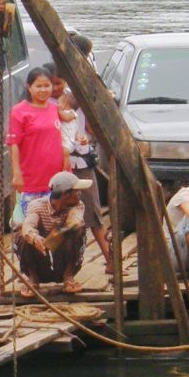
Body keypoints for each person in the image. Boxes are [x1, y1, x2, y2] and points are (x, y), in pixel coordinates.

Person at [63, 32, 113, 273]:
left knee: (89, 210)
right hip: (70, 157)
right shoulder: (71, 84)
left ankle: (108, 259)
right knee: (86, 210)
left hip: (78, 156)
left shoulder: (80, 81)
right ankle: (107, 260)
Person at [8, 67, 67, 227]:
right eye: (38, 86)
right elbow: (14, 145)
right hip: (31, 180)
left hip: (54, 179)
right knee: (31, 225)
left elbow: (64, 136)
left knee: (55, 225)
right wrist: (16, 173)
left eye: (46, 86)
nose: (43, 90)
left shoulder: (55, 109)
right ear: (29, 87)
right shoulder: (19, 112)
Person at [14, 170, 90, 291]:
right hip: (40, 256)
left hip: (62, 256)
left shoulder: (78, 205)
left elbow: (75, 221)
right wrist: (35, 238)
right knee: (22, 234)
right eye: (77, 191)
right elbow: (28, 225)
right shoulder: (37, 205)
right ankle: (33, 277)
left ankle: (68, 275)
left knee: (78, 230)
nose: (80, 194)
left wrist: (59, 233)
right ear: (66, 194)